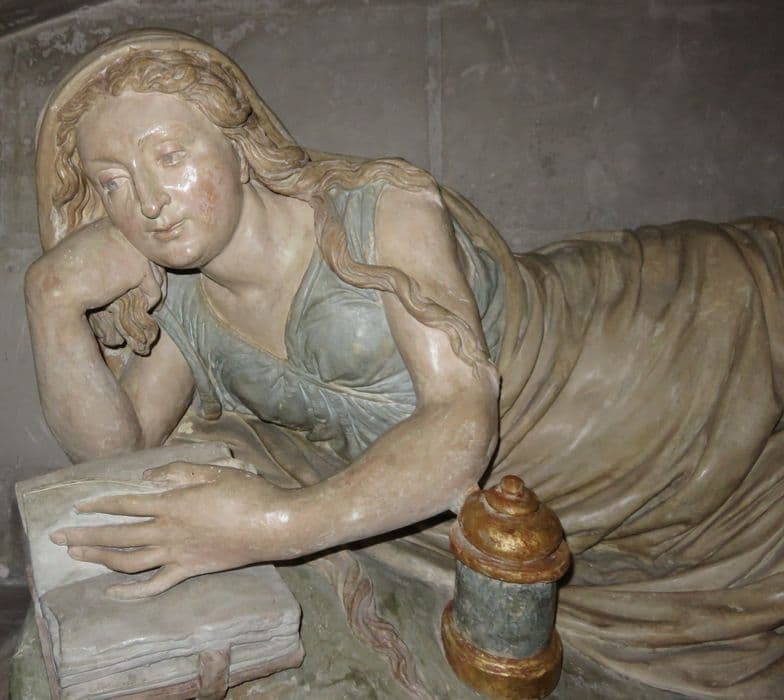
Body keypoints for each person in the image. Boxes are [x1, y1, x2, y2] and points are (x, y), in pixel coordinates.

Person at [25, 30, 784, 698]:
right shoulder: (187, 308)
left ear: (237, 141)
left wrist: (273, 524)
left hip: (644, 359)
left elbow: (459, 418)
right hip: (525, 501)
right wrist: (51, 298)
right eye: (114, 182)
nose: (149, 201)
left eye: (170, 155)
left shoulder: (381, 208)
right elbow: (114, 455)